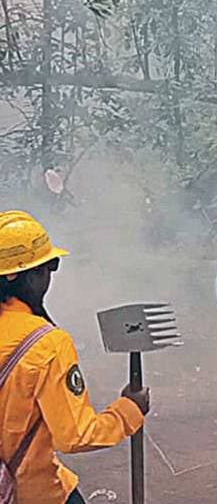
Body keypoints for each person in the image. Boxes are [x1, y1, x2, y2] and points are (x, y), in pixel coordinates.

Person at [0, 211, 150, 504]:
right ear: (21, 275)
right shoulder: (45, 345)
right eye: (47, 267)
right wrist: (130, 409)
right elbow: (76, 435)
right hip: (30, 491)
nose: (49, 276)